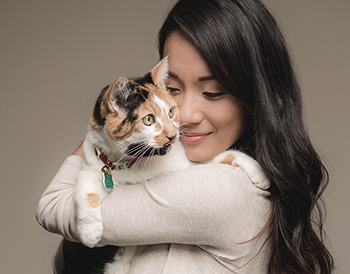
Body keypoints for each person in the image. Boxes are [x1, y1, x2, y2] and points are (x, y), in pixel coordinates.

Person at [36, 0, 334, 273]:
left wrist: (104, 131)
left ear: (256, 97)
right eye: (172, 89)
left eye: (212, 92)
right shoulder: (220, 173)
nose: (185, 115)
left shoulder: (222, 190)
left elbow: (53, 205)